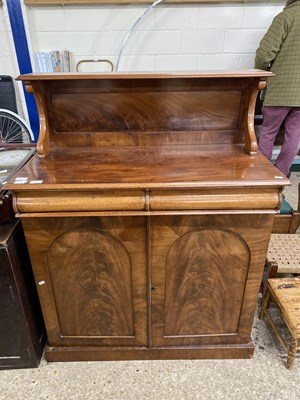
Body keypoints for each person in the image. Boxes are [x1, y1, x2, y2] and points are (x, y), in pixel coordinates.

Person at [254, 0, 300, 178]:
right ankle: (280, 176)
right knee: (294, 135)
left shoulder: (286, 16)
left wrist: (261, 71)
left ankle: (263, 175)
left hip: (281, 88)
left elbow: (264, 53)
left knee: (268, 132)